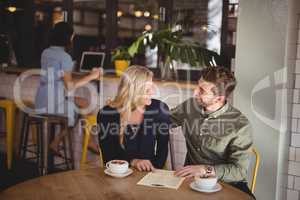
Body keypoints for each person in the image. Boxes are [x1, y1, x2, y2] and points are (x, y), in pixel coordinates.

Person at [171, 66, 255, 198]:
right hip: (191, 180)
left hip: (227, 183)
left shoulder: (240, 125)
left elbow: (239, 171)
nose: (194, 93)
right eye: (197, 86)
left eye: (202, 90)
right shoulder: (189, 106)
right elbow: (163, 120)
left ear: (219, 98)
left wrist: (206, 169)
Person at [35, 22, 102, 155]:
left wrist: (78, 73)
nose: (72, 38)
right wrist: (91, 76)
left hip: (41, 100)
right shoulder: (65, 57)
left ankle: (58, 142)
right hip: (53, 104)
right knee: (79, 110)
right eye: (72, 36)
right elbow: (70, 86)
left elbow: (58, 77)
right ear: (68, 38)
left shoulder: (45, 52)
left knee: (84, 103)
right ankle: (87, 141)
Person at [97, 65, 170, 171]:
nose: (153, 92)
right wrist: (133, 161)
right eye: (147, 90)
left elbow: (162, 151)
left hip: (150, 172)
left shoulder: (160, 109)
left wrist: (153, 171)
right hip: (119, 173)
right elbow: (108, 156)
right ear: (134, 92)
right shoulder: (106, 114)